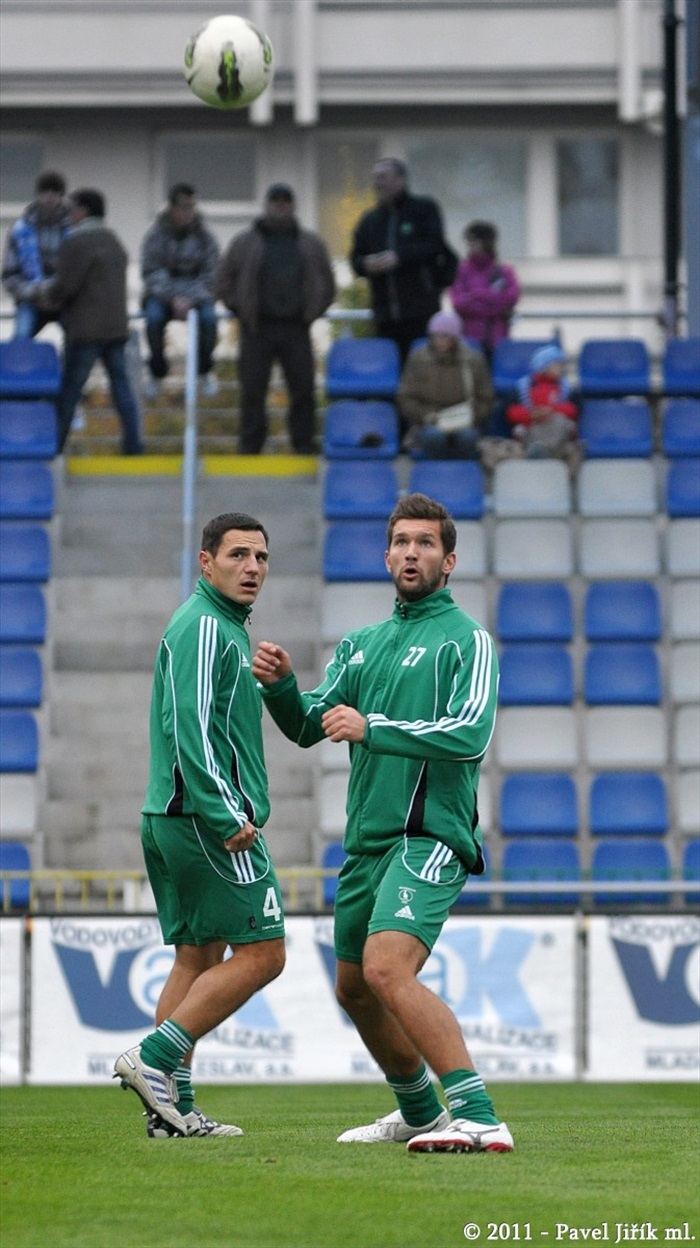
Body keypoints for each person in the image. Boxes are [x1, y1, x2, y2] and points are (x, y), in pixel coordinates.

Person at [252, 493, 513, 1155]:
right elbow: (308, 726)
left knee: (387, 969)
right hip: (366, 845)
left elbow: (469, 735)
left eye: (425, 543)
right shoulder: (361, 646)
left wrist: (375, 727)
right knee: (355, 989)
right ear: (386, 555)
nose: (411, 553)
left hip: (429, 836)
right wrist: (282, 688)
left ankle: (479, 1114)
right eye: (401, 542)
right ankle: (420, 1111)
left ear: (449, 561)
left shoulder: (467, 641)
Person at [114, 512, 286, 1138]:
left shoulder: (219, 626)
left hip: (173, 815)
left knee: (196, 958)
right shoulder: (207, 626)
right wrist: (224, 812)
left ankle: (173, 1109)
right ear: (206, 563)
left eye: (261, 557)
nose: (252, 567)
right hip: (203, 820)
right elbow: (189, 726)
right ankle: (153, 1058)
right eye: (238, 555)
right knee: (264, 953)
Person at [215, 183, 336, 455]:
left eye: (286, 200)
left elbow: (327, 285)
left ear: (293, 205)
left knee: (304, 389)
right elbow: (223, 280)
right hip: (257, 328)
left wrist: (312, 313)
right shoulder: (244, 242)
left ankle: (303, 444)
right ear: (266, 205)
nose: (280, 205)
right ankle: (251, 446)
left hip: (297, 326)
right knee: (252, 391)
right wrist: (241, 309)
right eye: (275, 200)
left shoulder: (311, 244)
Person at [28, 188, 144, 456]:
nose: (69, 213)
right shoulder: (113, 241)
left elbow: (65, 286)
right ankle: (133, 445)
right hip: (115, 327)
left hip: (86, 329)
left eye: (72, 208)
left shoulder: (77, 243)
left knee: (70, 391)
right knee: (121, 389)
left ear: (83, 210)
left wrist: (43, 295)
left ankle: (55, 447)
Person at [349, 158, 448, 365]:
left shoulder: (424, 209)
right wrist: (366, 264)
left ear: (400, 180)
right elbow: (355, 259)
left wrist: (399, 257)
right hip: (384, 316)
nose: (377, 183)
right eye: (375, 178)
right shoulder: (370, 220)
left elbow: (435, 245)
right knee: (390, 372)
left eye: (383, 177)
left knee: (424, 369)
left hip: (421, 312)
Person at [140, 182, 220, 398]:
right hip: (163, 295)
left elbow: (212, 273)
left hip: (197, 295)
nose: (188, 212)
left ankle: (204, 370)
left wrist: (191, 298)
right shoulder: (156, 236)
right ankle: (157, 371)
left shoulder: (205, 237)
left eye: (192, 207)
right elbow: (151, 271)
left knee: (209, 320)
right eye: (184, 207)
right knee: (153, 319)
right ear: (172, 208)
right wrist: (172, 297)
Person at [397, 310, 494, 457]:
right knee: (433, 437)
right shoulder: (418, 359)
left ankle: (465, 470)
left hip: (464, 419)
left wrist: (473, 417)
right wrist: (426, 416)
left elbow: (485, 397)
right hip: (429, 419)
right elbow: (405, 397)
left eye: (445, 336)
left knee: (468, 438)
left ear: (455, 338)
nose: (440, 340)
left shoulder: (473, 360)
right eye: (436, 336)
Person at [1, 170, 71, 339]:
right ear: (37, 194)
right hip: (30, 300)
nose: (49, 196)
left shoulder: (74, 229)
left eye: (55, 192)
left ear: (61, 195)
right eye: (45, 191)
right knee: (20, 340)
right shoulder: (19, 229)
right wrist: (33, 291)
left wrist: (56, 291)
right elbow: (9, 275)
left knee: (79, 341)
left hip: (66, 301)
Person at [449, 220, 520, 362]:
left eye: (474, 241)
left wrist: (477, 295)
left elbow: (511, 297)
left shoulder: (504, 271)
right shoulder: (462, 270)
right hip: (469, 341)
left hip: (497, 339)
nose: (470, 246)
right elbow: (458, 302)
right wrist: (493, 301)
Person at [506, 343, 580, 461]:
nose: (560, 368)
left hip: (557, 431)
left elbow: (573, 409)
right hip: (532, 427)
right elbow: (511, 412)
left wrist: (550, 411)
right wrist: (531, 415)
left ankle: (544, 451)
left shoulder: (567, 387)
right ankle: (538, 450)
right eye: (556, 365)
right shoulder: (523, 387)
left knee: (560, 421)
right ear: (543, 367)